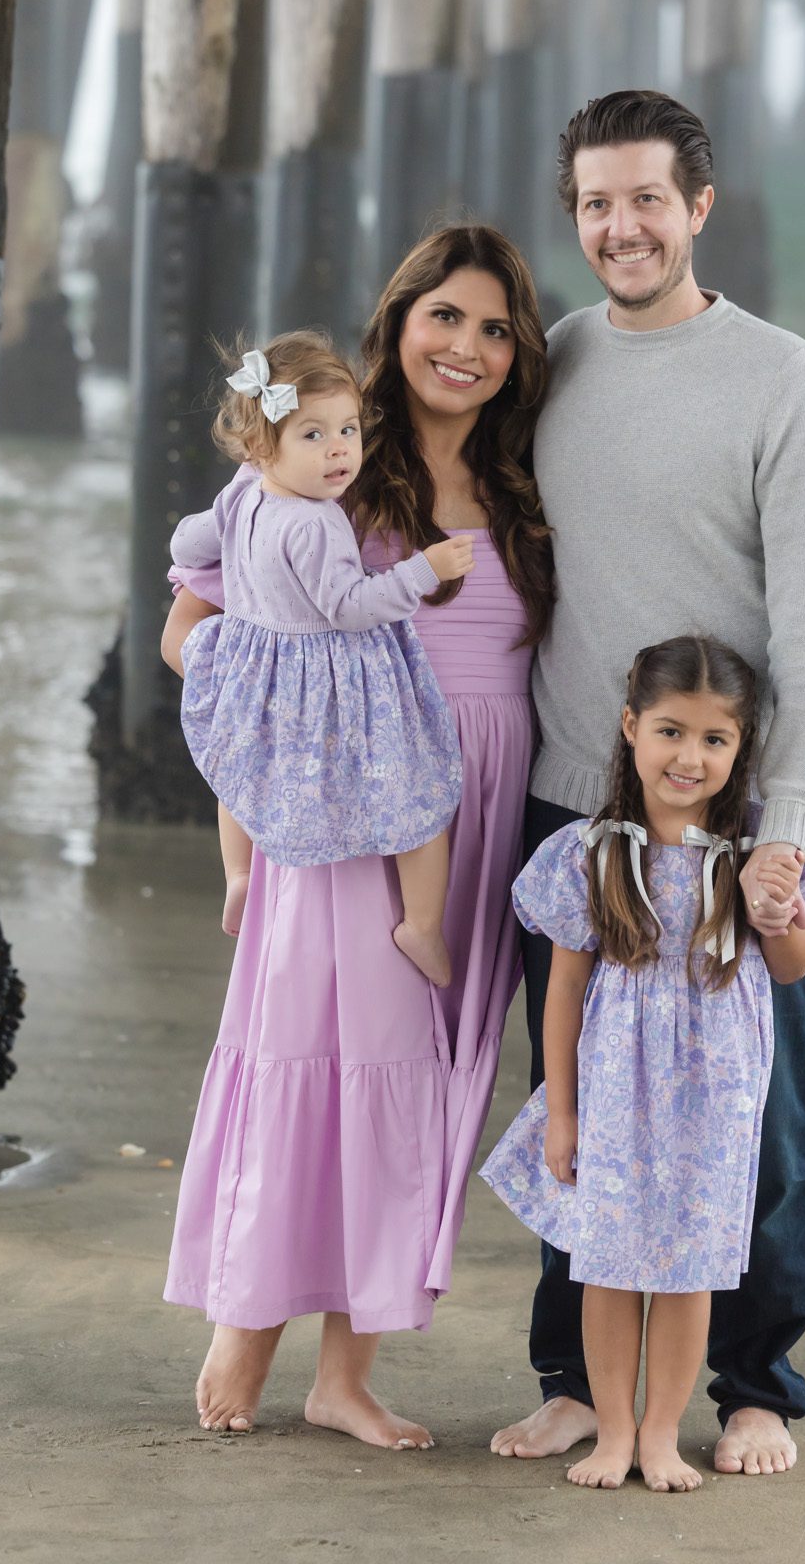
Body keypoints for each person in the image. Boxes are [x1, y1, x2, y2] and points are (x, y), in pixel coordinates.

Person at [492, 89, 805, 1478]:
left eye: (647, 198)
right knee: (576, 1096)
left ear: (699, 208)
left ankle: (752, 1383)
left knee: (758, 1116)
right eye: (595, 201)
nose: (620, 224)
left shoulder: (780, 379)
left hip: (735, 824)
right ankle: (574, 1382)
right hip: (576, 813)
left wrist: (789, 832)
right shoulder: (559, 361)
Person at [161, 225, 553, 1448]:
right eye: (446, 316)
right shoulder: (328, 463)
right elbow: (193, 634)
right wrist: (309, 726)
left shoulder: (529, 479)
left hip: (482, 800)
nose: (468, 346)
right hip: (349, 799)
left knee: (423, 1085)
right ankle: (250, 1316)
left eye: (495, 328)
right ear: (400, 321)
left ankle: (347, 1371)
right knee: (309, 1052)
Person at [483, 637, 805, 1493]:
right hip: (615, 1088)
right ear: (629, 729)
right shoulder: (591, 851)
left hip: (716, 1098)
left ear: (741, 748)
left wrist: (776, 909)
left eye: (714, 740)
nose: (690, 757)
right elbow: (561, 994)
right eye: (670, 732)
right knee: (607, 1264)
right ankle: (610, 1432)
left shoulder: (755, 850)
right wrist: (562, 1113)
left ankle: (659, 1437)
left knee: (691, 1271)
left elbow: (793, 967)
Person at [172, 329, 471, 987]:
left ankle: (240, 875)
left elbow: (194, 539)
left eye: (348, 430)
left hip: (254, 667)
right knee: (419, 793)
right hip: (320, 675)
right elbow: (350, 606)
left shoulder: (246, 491)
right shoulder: (313, 521)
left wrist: (195, 555)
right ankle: (420, 923)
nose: (339, 449)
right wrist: (424, 569)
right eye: (312, 434)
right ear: (262, 444)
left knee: (239, 768)